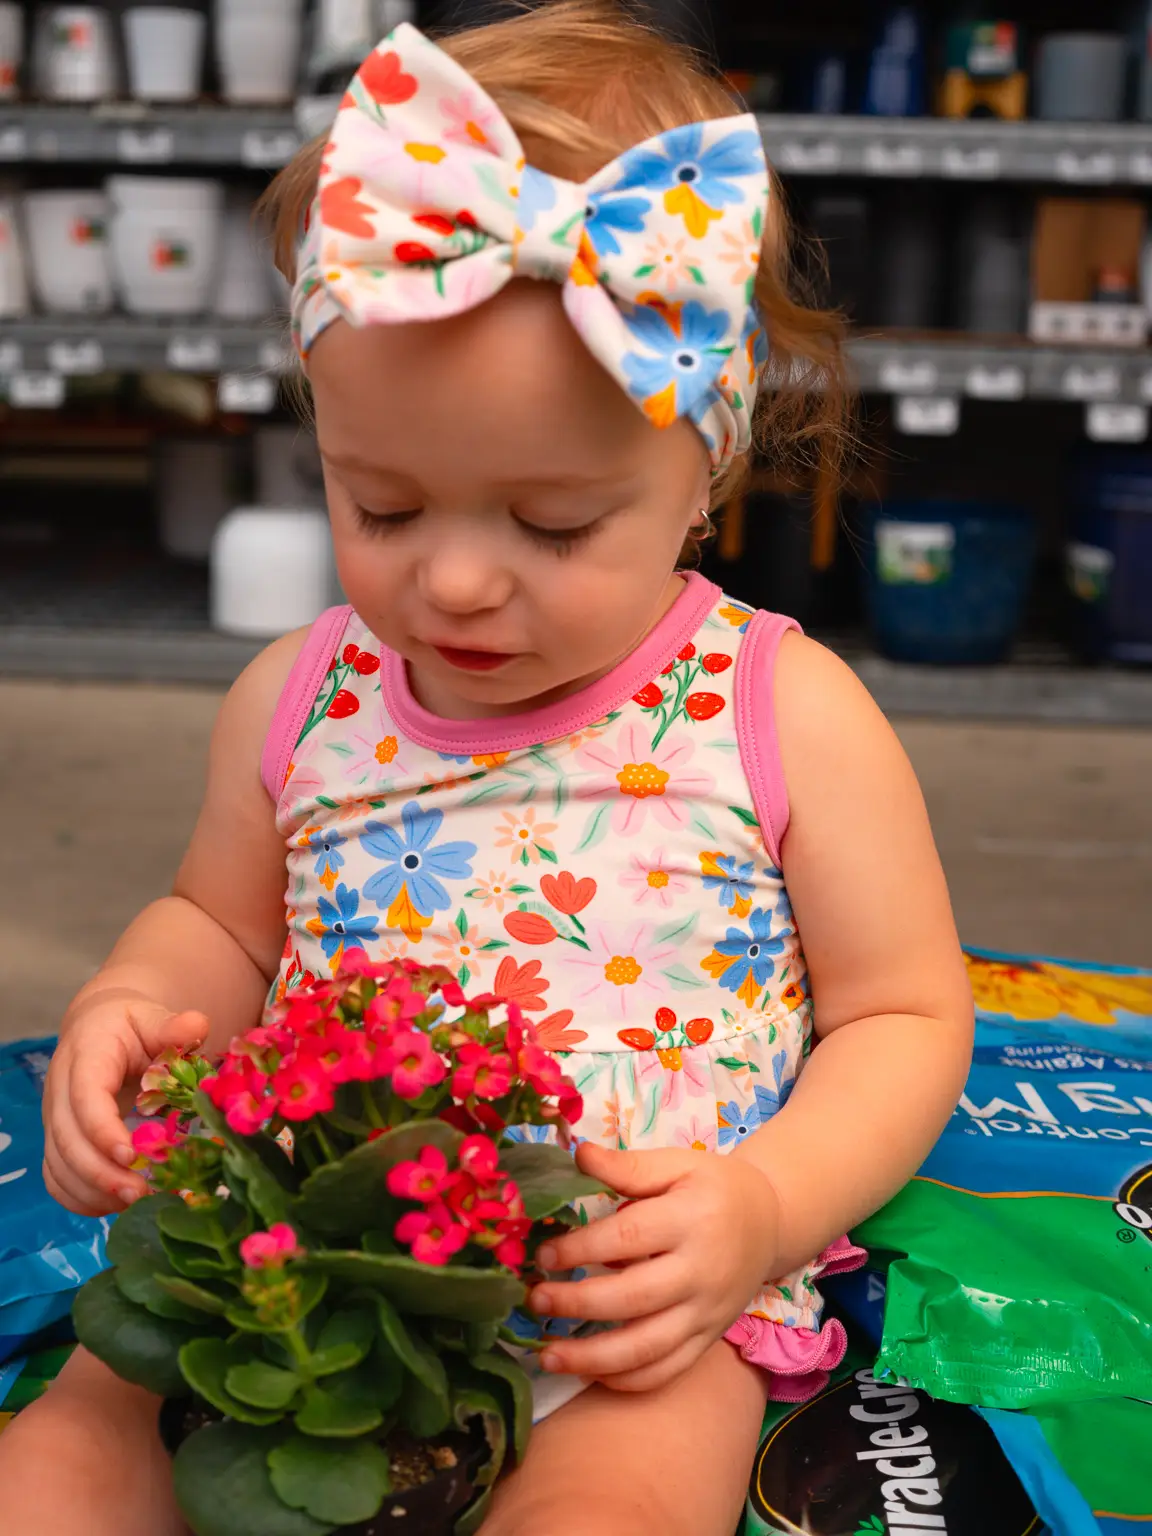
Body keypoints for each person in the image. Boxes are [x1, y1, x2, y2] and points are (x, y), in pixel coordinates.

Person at [0, 5, 973, 1533]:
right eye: (383, 506)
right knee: (69, 1449)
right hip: (287, 1260)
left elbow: (906, 1010)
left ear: (699, 467)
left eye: (553, 526)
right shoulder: (299, 694)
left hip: (624, 1293)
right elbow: (222, 922)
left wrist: (764, 1207)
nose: (455, 584)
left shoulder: (785, 707)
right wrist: (132, 1002)